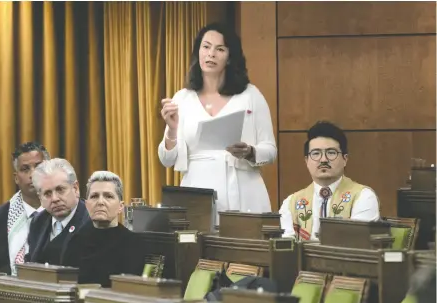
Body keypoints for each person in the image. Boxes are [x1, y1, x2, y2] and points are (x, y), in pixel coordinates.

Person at [158, 23, 277, 224]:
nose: (211, 54)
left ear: (230, 57)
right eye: (206, 47)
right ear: (198, 51)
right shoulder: (182, 98)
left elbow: (271, 150)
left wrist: (249, 151)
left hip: (243, 189)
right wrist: (171, 128)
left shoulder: (250, 95)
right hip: (196, 192)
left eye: (219, 49)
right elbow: (167, 160)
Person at [279, 121, 380, 241]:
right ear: (306, 161)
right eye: (316, 153)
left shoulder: (363, 196)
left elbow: (355, 243)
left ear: (345, 159)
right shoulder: (291, 203)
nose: (323, 159)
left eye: (331, 153)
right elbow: (286, 246)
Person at [0, 141, 50, 275]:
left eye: (38, 167)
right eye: (25, 169)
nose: (32, 174)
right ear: (16, 178)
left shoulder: (62, 211)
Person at [62, 171, 145, 287]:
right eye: (94, 196)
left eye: (108, 196)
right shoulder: (75, 241)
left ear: (121, 206)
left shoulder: (133, 244)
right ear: (86, 204)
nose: (100, 202)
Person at [25, 158, 90, 266]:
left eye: (60, 189)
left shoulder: (91, 221)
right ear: (40, 198)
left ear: (75, 188)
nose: (55, 199)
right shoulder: (38, 222)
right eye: (47, 193)